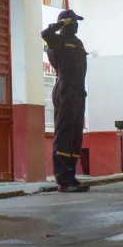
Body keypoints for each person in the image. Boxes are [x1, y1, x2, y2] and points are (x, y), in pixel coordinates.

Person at [42, 10, 89, 192]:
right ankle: (63, 179)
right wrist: (59, 25)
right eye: (73, 21)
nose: (76, 24)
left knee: (75, 136)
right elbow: (46, 34)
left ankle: (71, 175)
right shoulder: (58, 41)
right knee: (64, 135)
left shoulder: (78, 43)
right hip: (64, 92)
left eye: (76, 21)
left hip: (79, 93)